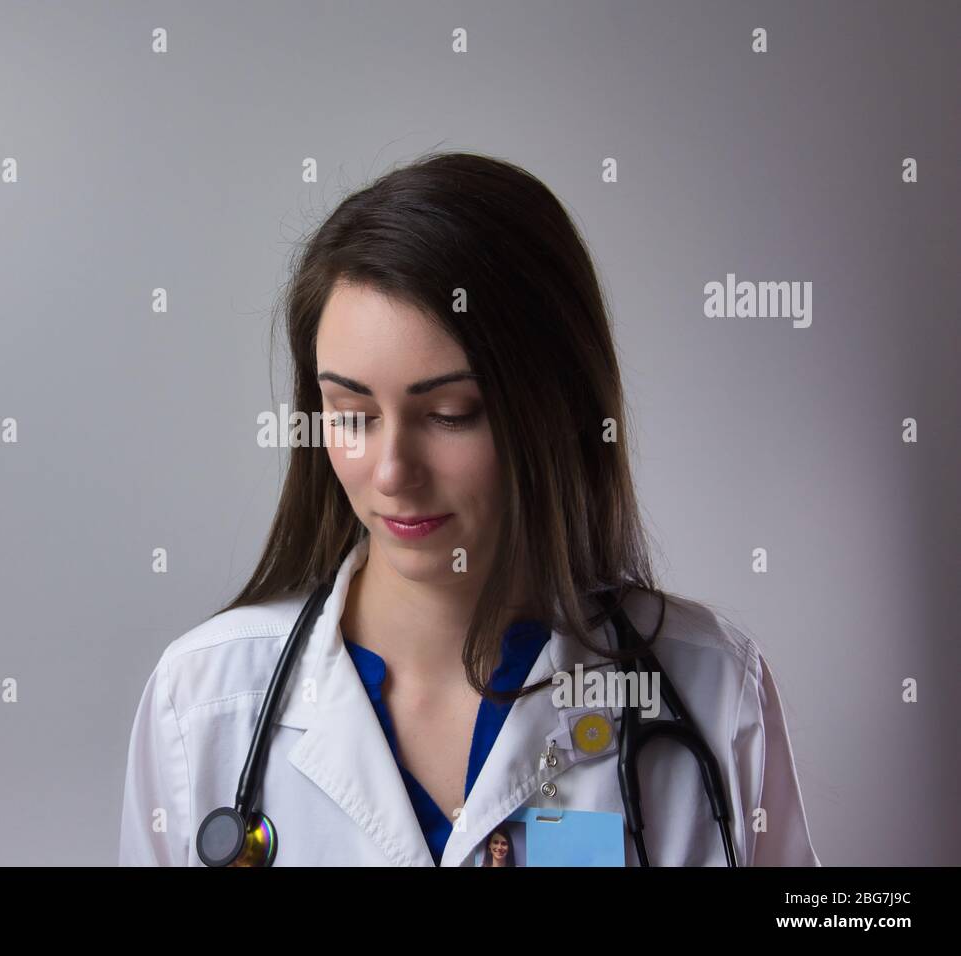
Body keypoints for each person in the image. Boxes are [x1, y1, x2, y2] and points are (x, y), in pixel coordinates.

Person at [118, 151, 820, 867]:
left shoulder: (713, 690)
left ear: (561, 408)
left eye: (451, 413)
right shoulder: (203, 702)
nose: (393, 474)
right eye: (352, 414)